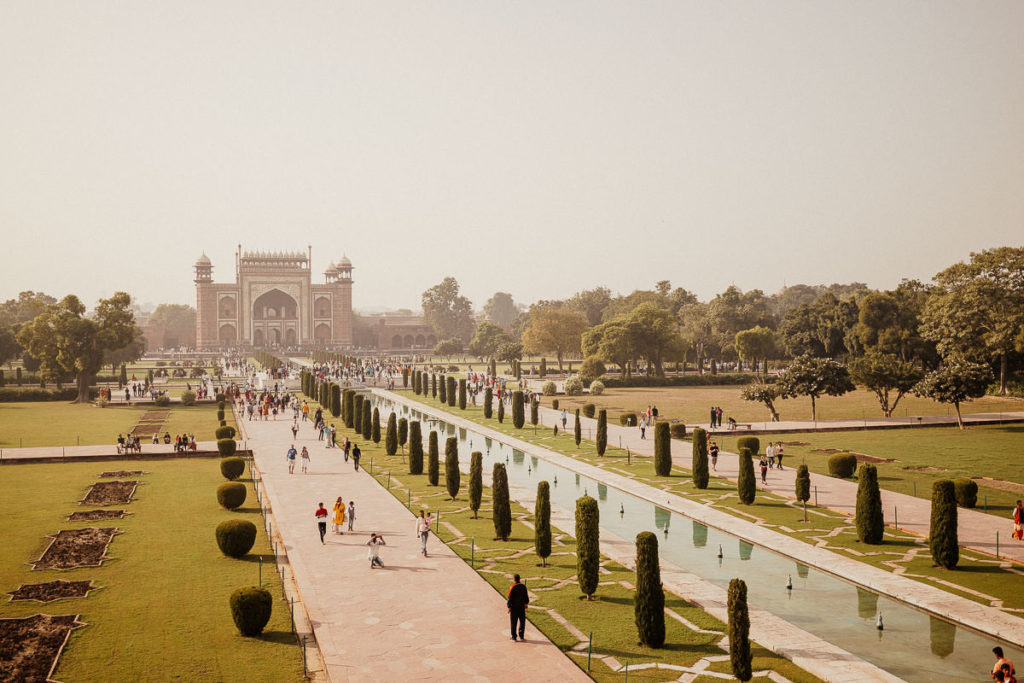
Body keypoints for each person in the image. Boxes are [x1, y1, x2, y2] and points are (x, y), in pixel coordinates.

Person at [507, 574, 529, 641]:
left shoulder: (512, 587)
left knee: (513, 623)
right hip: (521, 607)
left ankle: (514, 637)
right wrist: (526, 604)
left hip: (514, 608)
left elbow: (510, 598)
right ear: (520, 579)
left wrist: (509, 607)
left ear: (514, 579)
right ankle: (521, 636)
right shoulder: (523, 586)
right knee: (522, 622)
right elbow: (526, 597)